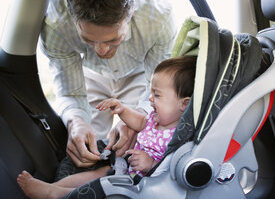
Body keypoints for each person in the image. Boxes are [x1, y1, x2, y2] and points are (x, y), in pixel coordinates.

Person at [39, 0, 177, 167]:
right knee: (85, 143)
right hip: (89, 74)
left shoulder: (159, 18)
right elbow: (70, 93)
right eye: (88, 40)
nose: (101, 50)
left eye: (112, 40)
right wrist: (75, 122)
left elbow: (159, 86)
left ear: (130, 15)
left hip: (140, 73)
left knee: (138, 142)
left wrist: (137, 120)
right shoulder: (55, 26)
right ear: (72, 19)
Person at [17, 55, 197, 199]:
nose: (150, 99)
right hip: (126, 170)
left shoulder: (181, 137)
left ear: (184, 104)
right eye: (150, 93)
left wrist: (151, 165)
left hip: (141, 185)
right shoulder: (155, 119)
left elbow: (174, 171)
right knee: (100, 172)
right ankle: (51, 187)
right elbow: (140, 122)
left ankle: (55, 194)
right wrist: (122, 109)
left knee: (103, 185)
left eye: (156, 95)